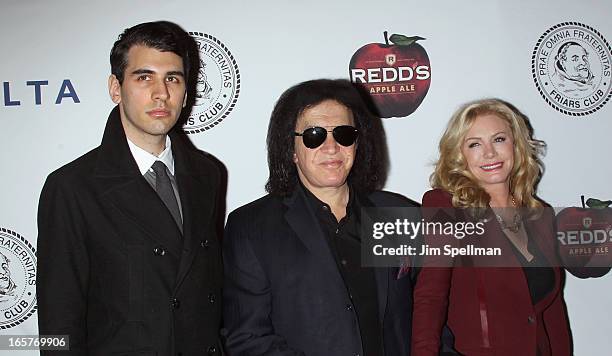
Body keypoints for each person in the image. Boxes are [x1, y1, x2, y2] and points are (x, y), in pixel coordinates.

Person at [36, 21, 223, 355]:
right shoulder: (72, 188)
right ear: (115, 88)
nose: (160, 93)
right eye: (143, 77)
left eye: (173, 79)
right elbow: (58, 323)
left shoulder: (208, 174)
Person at [222, 79, 416, 355]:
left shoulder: (401, 215)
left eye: (344, 134)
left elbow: (432, 313)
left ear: (357, 144)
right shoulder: (251, 228)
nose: (331, 147)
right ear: (291, 150)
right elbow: (247, 337)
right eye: (314, 135)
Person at [411, 99, 572, 356]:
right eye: (474, 144)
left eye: (499, 139)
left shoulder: (539, 215)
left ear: (516, 145)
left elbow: (552, 311)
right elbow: (430, 298)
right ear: (459, 155)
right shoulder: (445, 207)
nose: (489, 153)